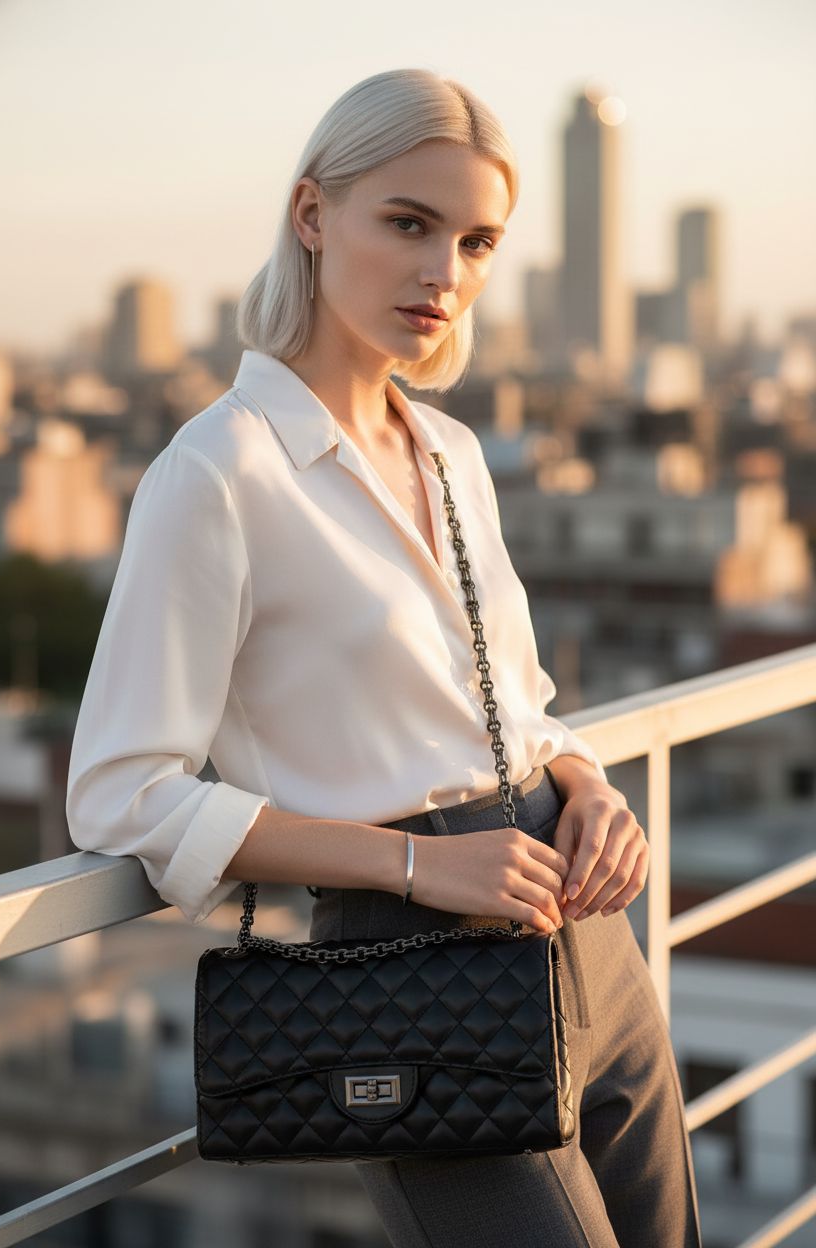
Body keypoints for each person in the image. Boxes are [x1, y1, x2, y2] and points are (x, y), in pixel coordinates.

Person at [66, 67, 703, 1248]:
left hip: (587, 929)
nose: (443, 274)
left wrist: (588, 783)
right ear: (313, 215)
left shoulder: (453, 450)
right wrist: (416, 869)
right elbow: (121, 793)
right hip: (408, 968)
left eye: (475, 241)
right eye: (407, 224)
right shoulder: (217, 474)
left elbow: (513, 703)